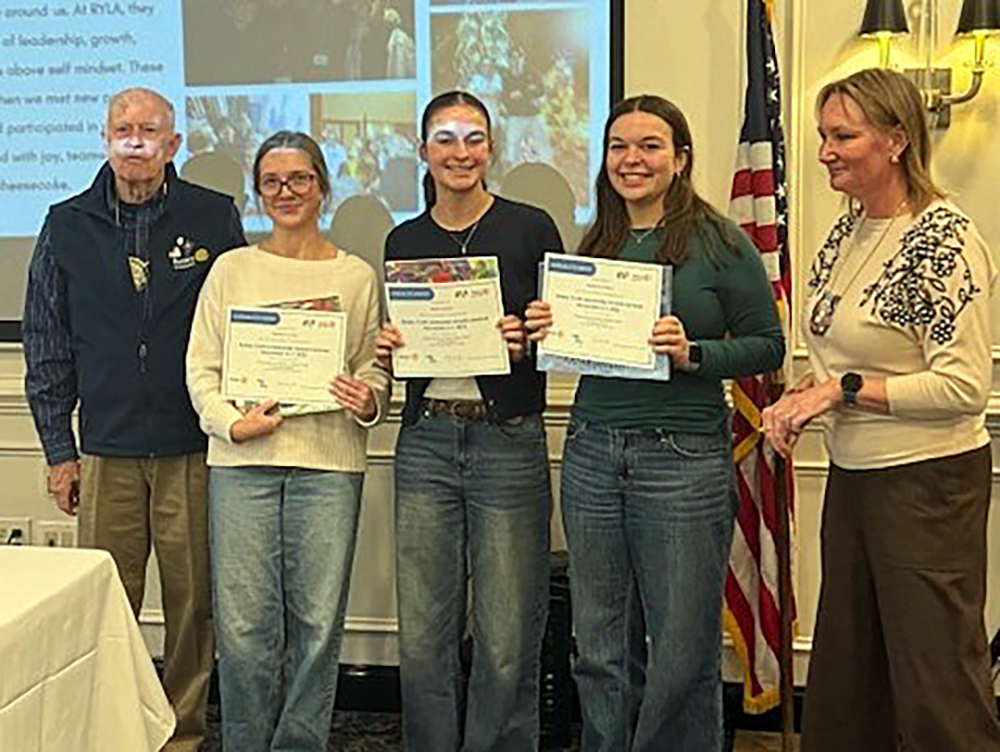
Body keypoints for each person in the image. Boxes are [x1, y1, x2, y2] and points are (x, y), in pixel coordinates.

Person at [526, 94, 784, 752]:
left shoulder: (719, 242)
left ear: (681, 159)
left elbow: (767, 345)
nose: (631, 159)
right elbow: (579, 346)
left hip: (682, 459)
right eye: (619, 146)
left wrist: (693, 353)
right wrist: (549, 328)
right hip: (591, 451)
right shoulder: (597, 241)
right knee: (599, 644)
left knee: (680, 650)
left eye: (649, 146)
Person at [762, 67, 1000, 752]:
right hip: (854, 475)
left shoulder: (943, 239)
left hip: (926, 486)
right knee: (848, 675)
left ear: (896, 141)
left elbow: (962, 387)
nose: (825, 152)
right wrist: (804, 394)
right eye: (822, 136)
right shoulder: (850, 230)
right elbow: (839, 350)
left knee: (935, 680)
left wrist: (840, 391)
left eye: (843, 136)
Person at [22, 87, 246, 752]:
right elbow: (46, 344)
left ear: (173, 144)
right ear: (105, 139)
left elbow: (239, 328)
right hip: (106, 449)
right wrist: (60, 450)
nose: (135, 140)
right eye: (122, 128)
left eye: (149, 130)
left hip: (191, 446)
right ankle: (110, 728)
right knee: (103, 602)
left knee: (192, 604)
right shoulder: (65, 224)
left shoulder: (213, 217)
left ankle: (182, 732)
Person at [185, 131, 389, 752]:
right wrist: (230, 423)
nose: (286, 192)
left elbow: (373, 367)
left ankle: (299, 744)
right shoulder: (231, 269)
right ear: (257, 194)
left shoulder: (355, 276)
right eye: (271, 182)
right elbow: (200, 368)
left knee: (317, 625)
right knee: (244, 626)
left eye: (299, 178)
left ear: (323, 187)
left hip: (328, 467)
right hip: (242, 464)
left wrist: (368, 398)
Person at [375, 90, 563, 751]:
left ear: (492, 147)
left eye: (474, 137)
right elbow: (406, 338)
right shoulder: (404, 239)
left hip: (506, 438)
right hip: (426, 439)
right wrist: (389, 346)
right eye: (445, 138)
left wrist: (529, 341)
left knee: (507, 636)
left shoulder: (530, 227)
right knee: (424, 635)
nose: (461, 152)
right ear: (422, 150)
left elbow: (561, 333)